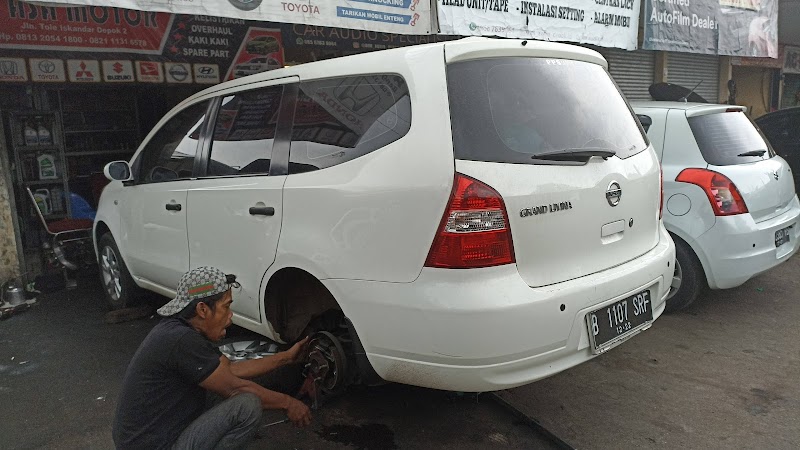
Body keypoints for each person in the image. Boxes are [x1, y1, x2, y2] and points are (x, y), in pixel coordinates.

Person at [112, 266, 312, 449]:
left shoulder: (180, 331)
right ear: (202, 309)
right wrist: (288, 403)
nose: (230, 315)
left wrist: (286, 357)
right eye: (226, 306)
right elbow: (234, 387)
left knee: (218, 389)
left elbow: (230, 370)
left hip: (148, 439)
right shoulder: (182, 340)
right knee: (246, 406)